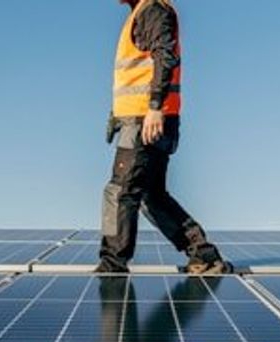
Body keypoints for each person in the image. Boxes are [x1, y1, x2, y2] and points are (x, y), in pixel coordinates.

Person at [97, 0, 231, 275]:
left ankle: (112, 266)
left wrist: (155, 108)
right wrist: (117, 116)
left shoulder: (152, 10)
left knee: (121, 191)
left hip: (146, 121)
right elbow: (137, 73)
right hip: (144, 120)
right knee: (151, 196)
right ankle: (203, 255)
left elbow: (165, 55)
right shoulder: (142, 12)